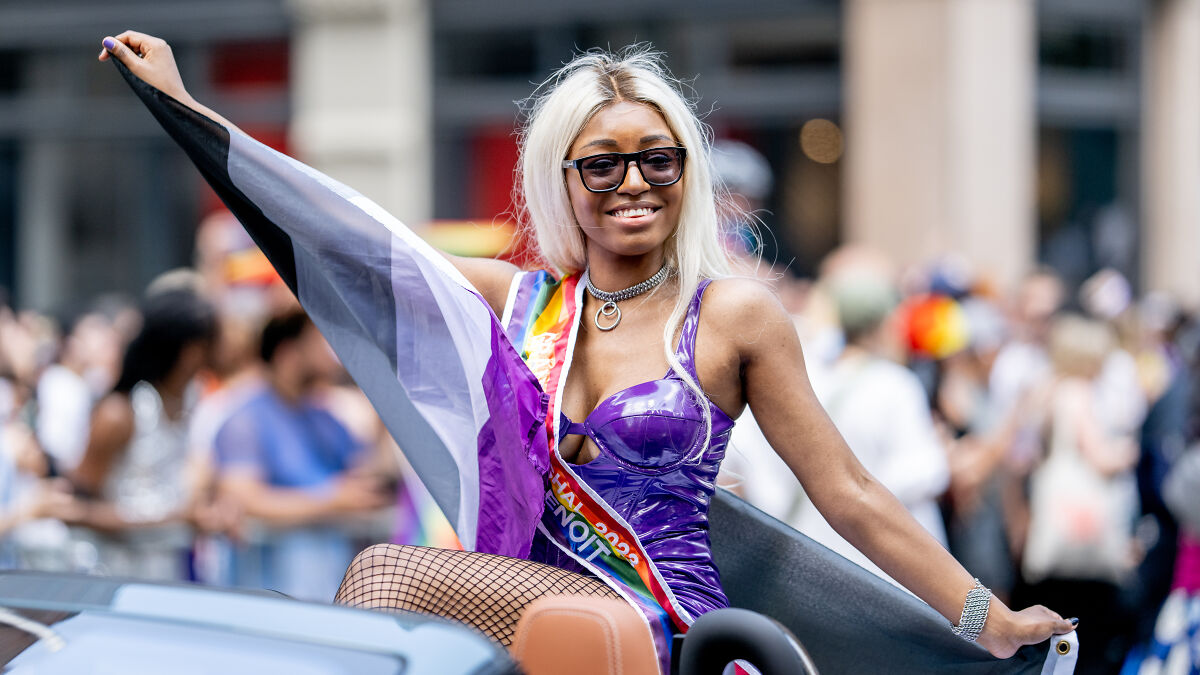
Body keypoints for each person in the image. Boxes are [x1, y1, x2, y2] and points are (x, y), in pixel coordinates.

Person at [98, 31, 1075, 663]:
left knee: (386, 578)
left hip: (666, 626)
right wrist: (189, 114)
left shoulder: (734, 318)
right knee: (380, 580)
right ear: (563, 180)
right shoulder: (515, 303)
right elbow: (343, 232)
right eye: (602, 163)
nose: (634, 182)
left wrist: (988, 616)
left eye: (658, 159)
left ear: (686, 174)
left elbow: (852, 495)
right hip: (540, 604)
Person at [212, 310, 392, 601]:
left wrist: (386, 403)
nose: (331, 350)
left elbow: (367, 473)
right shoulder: (244, 420)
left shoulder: (324, 417)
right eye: (317, 340)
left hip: (329, 592)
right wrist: (331, 500)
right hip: (270, 602)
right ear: (288, 353)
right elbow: (242, 499)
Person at [68, 286, 217, 581]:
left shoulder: (190, 400)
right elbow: (75, 509)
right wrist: (172, 518)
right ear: (188, 350)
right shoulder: (119, 413)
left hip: (173, 568)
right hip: (119, 576)